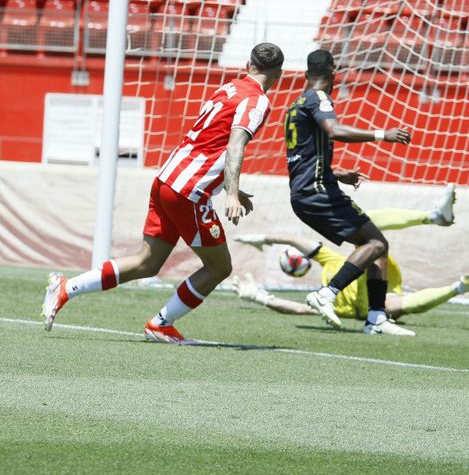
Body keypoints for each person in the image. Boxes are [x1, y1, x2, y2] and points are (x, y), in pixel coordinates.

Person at [41, 42, 286, 344]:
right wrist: (231, 193)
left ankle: (66, 287)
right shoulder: (257, 101)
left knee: (148, 262)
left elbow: (210, 143)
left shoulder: (229, 88)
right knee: (219, 266)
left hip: (166, 179)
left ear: (249, 64)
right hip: (188, 191)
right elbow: (234, 145)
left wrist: (231, 187)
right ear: (280, 75)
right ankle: (161, 323)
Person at [286, 49, 415, 336]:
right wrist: (383, 135)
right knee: (376, 244)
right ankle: (326, 294)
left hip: (307, 190)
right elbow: (333, 130)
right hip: (317, 191)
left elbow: (300, 158)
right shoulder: (318, 98)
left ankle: (377, 316)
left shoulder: (295, 104)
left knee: (374, 245)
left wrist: (335, 173)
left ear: (306, 74)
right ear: (333, 72)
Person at [231, 193, 469, 325]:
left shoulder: (331, 261)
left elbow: (293, 239)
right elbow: (299, 309)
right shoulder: (335, 307)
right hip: (374, 300)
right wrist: (259, 297)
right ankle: (457, 287)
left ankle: (433, 216)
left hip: (374, 265)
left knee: (366, 226)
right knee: (395, 307)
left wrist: (262, 237)